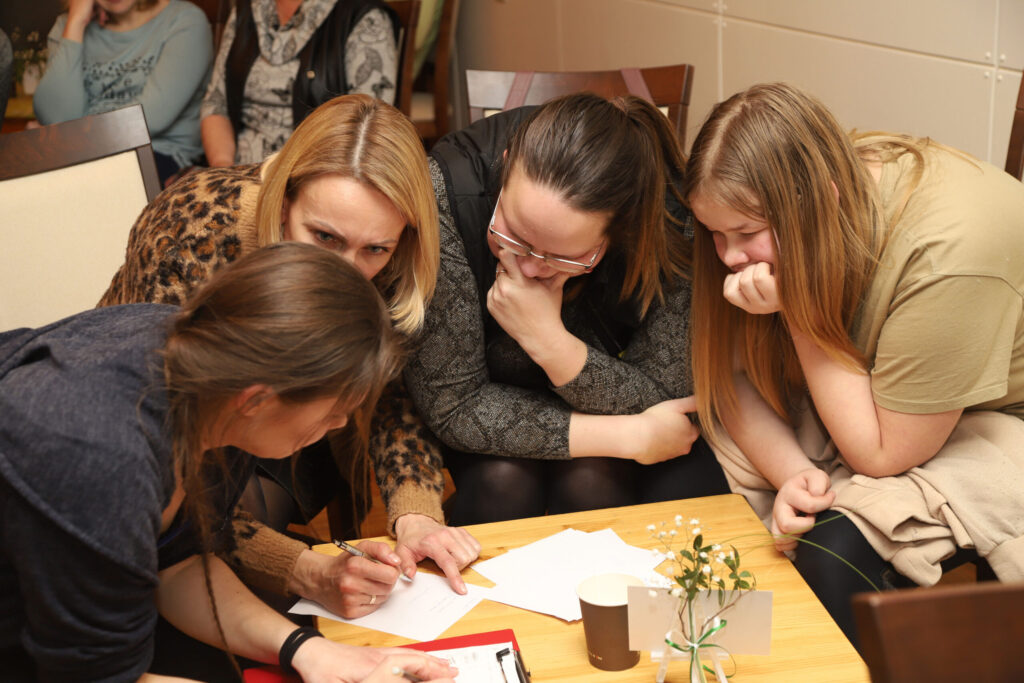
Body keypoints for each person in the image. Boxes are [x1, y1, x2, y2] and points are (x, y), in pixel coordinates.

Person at [0, 243, 458, 683]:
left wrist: (307, 651)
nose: (339, 424)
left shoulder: (216, 376)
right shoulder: (97, 458)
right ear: (257, 400)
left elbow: (175, 565)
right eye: (334, 409)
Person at [100, 94, 481, 622]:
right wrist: (303, 569)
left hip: (303, 423)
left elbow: (395, 396)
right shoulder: (192, 232)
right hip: (165, 439)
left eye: (375, 250)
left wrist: (415, 514)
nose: (349, 272)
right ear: (283, 204)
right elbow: (171, 450)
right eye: (324, 237)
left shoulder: (398, 251)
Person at [684, 82, 1024, 647]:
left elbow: (881, 453)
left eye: (745, 234)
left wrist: (795, 310)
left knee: (830, 551)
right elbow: (729, 378)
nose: (729, 258)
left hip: (994, 414)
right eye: (715, 234)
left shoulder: (947, 255)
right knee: (681, 482)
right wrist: (795, 475)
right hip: (865, 390)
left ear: (824, 200)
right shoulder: (802, 187)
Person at [405, 92, 732, 526]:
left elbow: (669, 402)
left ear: (619, 233)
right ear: (504, 165)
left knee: (592, 481)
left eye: (560, 256)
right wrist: (625, 435)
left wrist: (551, 344)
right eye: (515, 236)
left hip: (608, 418)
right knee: (503, 482)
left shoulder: (675, 220)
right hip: (483, 405)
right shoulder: (446, 192)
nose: (527, 267)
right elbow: (453, 405)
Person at [33, 0, 212, 185]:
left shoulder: (185, 21)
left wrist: (65, 134)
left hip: (157, 155)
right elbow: (55, 116)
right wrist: (76, 23)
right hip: (77, 157)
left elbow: (147, 119)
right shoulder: (68, 25)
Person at [200, 0, 398, 167]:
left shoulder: (366, 17)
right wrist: (225, 173)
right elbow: (216, 104)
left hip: (316, 176)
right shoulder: (248, 8)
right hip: (240, 171)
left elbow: (370, 125)